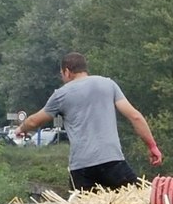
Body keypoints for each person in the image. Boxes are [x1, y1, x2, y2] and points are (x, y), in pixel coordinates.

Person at [15, 52, 161, 191]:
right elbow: (135, 116)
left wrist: (21, 129)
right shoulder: (108, 84)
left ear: (67, 71)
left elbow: (34, 121)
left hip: (82, 168)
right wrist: (152, 146)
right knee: (138, 202)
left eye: (62, 75)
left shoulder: (61, 95)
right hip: (112, 161)